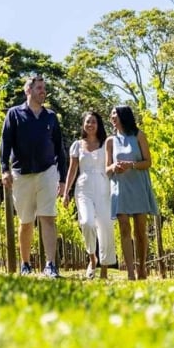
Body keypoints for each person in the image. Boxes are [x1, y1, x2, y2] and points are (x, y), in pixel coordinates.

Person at [0, 75, 68, 277]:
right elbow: (5, 144)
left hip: (47, 172)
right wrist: (5, 169)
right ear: (28, 91)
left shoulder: (50, 117)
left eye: (44, 88)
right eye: (39, 88)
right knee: (26, 221)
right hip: (21, 174)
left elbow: (59, 149)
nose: (43, 91)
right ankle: (26, 264)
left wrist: (62, 179)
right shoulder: (14, 114)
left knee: (48, 217)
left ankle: (50, 265)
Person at [60, 111, 116, 279]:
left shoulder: (106, 143)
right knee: (86, 222)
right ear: (83, 125)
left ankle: (104, 268)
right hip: (83, 187)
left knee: (105, 226)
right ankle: (92, 257)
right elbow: (72, 169)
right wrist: (66, 193)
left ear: (98, 125)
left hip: (104, 186)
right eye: (87, 122)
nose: (90, 125)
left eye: (93, 122)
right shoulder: (77, 145)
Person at [106, 104, 158, 280]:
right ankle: (129, 271)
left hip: (138, 186)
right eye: (112, 114)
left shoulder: (139, 136)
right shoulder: (110, 141)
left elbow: (148, 162)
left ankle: (142, 266)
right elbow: (106, 170)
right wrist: (114, 166)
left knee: (140, 230)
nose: (112, 116)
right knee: (124, 228)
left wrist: (131, 165)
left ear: (123, 116)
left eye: (115, 113)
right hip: (120, 189)